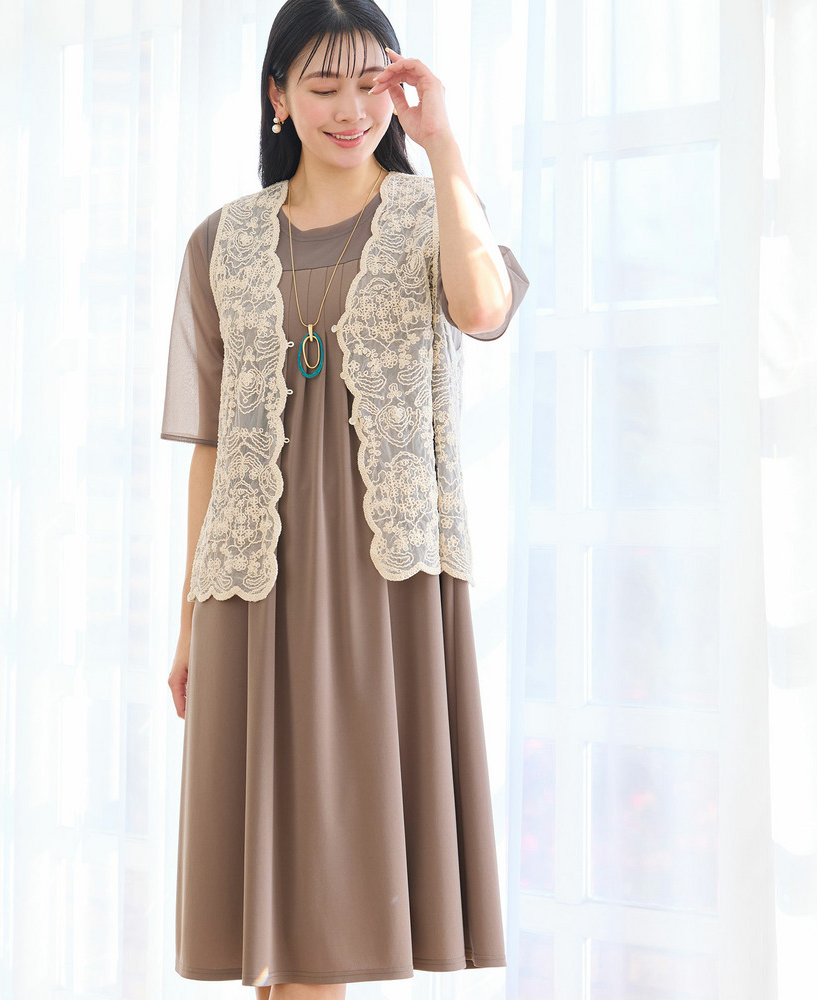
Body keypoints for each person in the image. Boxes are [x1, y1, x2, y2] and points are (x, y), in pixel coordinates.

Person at [161, 0, 529, 995]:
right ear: (277, 98)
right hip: (250, 588)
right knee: (271, 943)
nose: (351, 109)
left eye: (370, 85)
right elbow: (210, 446)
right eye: (323, 87)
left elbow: (483, 308)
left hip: (382, 584)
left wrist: (442, 145)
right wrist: (188, 623)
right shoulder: (220, 242)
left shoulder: (434, 211)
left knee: (328, 918)